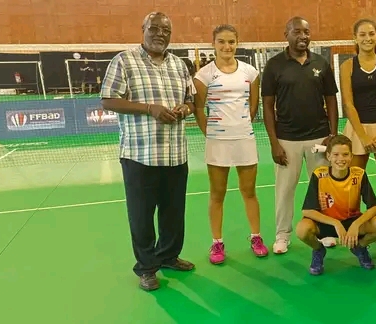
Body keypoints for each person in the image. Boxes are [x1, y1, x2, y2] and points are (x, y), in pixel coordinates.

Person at [100, 12, 196, 291]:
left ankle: (168, 256)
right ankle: (146, 268)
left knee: (173, 213)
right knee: (141, 217)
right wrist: (149, 108)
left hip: (176, 155)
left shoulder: (179, 65)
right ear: (143, 29)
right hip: (140, 156)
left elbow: (190, 100)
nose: (160, 34)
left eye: (166, 30)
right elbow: (108, 100)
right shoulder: (124, 61)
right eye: (154, 28)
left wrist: (184, 109)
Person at [262, 16, 340, 254]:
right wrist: (274, 142)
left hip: (319, 137)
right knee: (285, 191)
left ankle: (325, 231)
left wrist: (333, 133)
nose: (303, 36)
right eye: (297, 32)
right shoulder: (274, 65)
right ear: (286, 34)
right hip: (287, 140)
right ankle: (282, 235)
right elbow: (267, 106)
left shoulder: (321, 63)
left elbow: (331, 100)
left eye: (306, 32)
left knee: (323, 189)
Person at [193, 24, 268, 264]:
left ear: (237, 43)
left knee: (249, 192)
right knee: (217, 194)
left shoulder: (250, 72)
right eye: (222, 42)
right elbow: (198, 108)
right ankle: (217, 243)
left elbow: (253, 105)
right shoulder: (204, 75)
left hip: (244, 139)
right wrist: (211, 133)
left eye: (231, 42)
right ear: (213, 44)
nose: (227, 46)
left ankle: (256, 237)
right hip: (218, 143)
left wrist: (241, 126)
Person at [295, 135, 376, 275]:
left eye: (345, 154)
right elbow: (307, 211)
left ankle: (359, 247)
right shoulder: (319, 175)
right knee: (302, 230)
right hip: (326, 223)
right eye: (336, 154)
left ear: (351, 156)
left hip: (351, 221)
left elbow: (374, 207)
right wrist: (335, 223)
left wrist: (356, 224)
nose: (341, 159)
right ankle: (318, 250)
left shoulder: (359, 175)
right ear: (328, 156)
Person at [339, 18, 376, 221]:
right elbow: (348, 104)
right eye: (362, 34)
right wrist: (363, 137)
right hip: (357, 131)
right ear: (355, 38)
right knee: (353, 183)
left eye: (371, 34)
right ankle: (353, 226)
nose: (367, 38)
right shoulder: (348, 66)